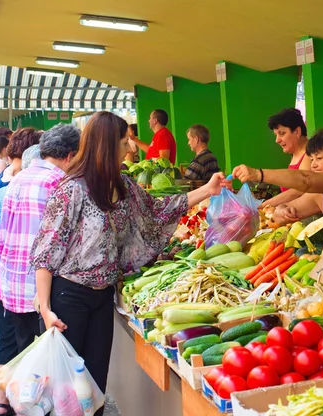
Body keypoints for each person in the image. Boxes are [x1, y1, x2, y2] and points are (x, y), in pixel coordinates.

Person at [30, 112, 224, 416]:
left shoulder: (123, 186)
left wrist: (206, 191)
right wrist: (45, 308)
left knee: (94, 387)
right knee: (66, 393)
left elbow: (158, 210)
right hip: (69, 298)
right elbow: (46, 251)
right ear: (107, 146)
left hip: (103, 296)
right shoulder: (71, 190)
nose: (129, 150)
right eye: (124, 143)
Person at [0, 124, 81, 354]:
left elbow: (3, 235)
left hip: (14, 286)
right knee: (54, 370)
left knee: (27, 363)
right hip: (43, 293)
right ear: (71, 155)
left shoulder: (17, 178)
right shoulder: (60, 182)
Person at [0, 144, 40, 416]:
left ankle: (2, 401)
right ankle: (30, 400)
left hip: (7, 281)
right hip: (41, 286)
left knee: (7, 341)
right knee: (37, 343)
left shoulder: (5, 194)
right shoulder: (55, 193)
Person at [260, 108, 312, 208]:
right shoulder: (295, 153)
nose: (277, 140)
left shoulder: (309, 154)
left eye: (282, 133)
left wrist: (265, 206)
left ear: (297, 131)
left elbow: (299, 190)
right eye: (276, 135)